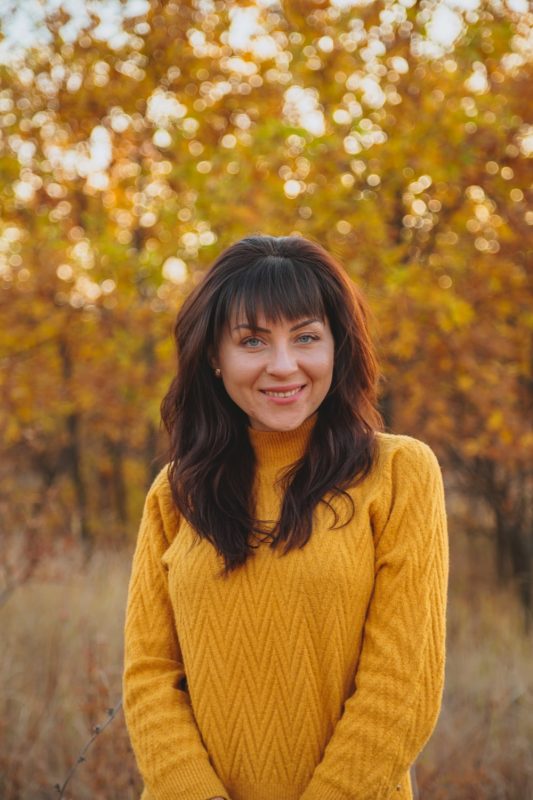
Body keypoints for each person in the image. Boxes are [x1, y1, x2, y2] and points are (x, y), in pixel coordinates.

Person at [123, 234, 448, 800]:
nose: (283, 365)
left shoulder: (400, 474)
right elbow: (150, 675)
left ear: (337, 348)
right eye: (252, 341)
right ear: (215, 360)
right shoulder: (176, 493)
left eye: (306, 337)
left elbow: (403, 683)